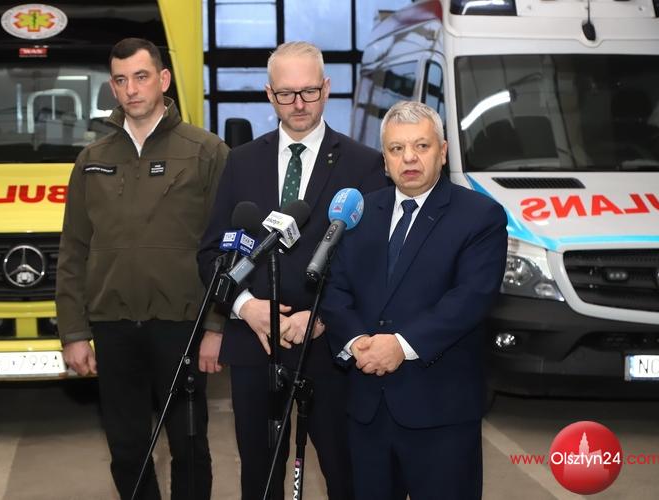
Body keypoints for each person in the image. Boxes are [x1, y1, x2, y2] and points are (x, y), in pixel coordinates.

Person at [197, 41, 387, 500]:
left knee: (345, 472)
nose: (298, 104)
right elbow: (212, 254)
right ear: (269, 94)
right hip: (254, 346)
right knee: (259, 478)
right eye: (286, 93)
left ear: (327, 88)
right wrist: (247, 308)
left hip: (330, 347)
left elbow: (374, 263)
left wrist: (321, 317)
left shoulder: (364, 164)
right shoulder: (241, 162)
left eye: (308, 92)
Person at [55, 38, 228, 500]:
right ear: (112, 88)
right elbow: (73, 250)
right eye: (121, 80)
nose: (131, 89)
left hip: (182, 326)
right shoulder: (92, 161)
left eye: (141, 76)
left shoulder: (206, 152)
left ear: (163, 80)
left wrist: (217, 325)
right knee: (127, 448)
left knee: (189, 445)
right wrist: (74, 332)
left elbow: (228, 247)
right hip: (113, 328)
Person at [320, 100, 508, 500]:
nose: (409, 158)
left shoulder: (480, 216)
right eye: (396, 148)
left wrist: (400, 346)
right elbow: (334, 290)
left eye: (421, 146)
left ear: (443, 152)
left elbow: (471, 298)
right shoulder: (359, 213)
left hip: (441, 411)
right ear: (385, 160)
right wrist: (357, 342)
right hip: (367, 408)